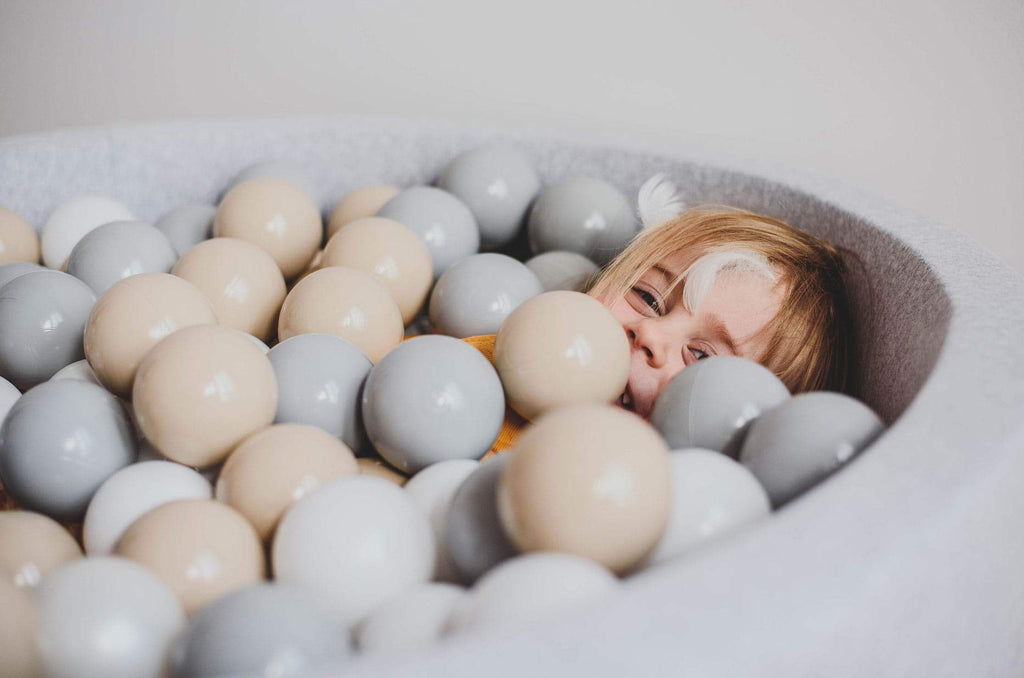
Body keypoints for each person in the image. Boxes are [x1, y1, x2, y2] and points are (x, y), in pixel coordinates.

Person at [473, 179, 854, 459]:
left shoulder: (660, 504)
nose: (650, 334)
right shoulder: (485, 365)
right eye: (647, 297)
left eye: (701, 356)